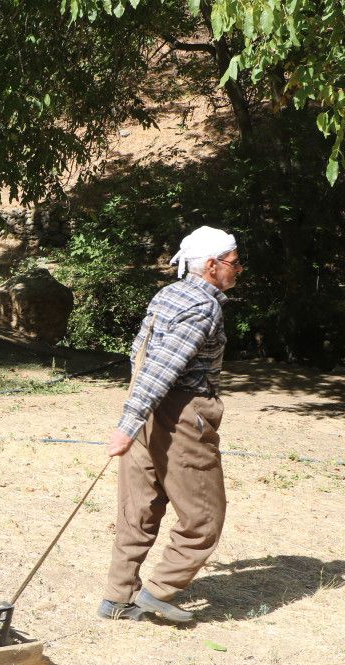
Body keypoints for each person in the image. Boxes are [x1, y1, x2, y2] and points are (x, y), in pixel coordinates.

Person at [98, 226, 243, 624]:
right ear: (212, 266)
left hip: (147, 412)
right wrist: (128, 426)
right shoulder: (202, 306)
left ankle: (118, 596)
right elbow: (162, 368)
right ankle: (156, 593)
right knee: (204, 517)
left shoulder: (168, 294)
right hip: (180, 416)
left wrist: (135, 417)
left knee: (139, 507)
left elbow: (138, 355)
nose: (238, 269)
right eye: (233, 262)